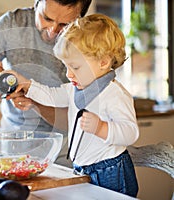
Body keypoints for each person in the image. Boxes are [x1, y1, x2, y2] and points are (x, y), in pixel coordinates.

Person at [7, 14, 139, 197]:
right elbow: (51, 96)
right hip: (83, 169)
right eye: (66, 67)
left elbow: (131, 132)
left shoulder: (114, 94)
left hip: (110, 171)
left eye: (75, 67)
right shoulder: (75, 88)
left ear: (103, 62)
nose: (69, 74)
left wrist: (101, 127)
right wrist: (27, 84)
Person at [0, 0, 93, 168]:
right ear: (36, 3)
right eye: (46, 18)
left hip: (67, 151)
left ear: (80, 18)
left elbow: (73, 121)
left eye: (64, 24)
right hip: (11, 146)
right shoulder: (13, 23)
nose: (52, 31)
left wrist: (34, 102)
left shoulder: (87, 40)